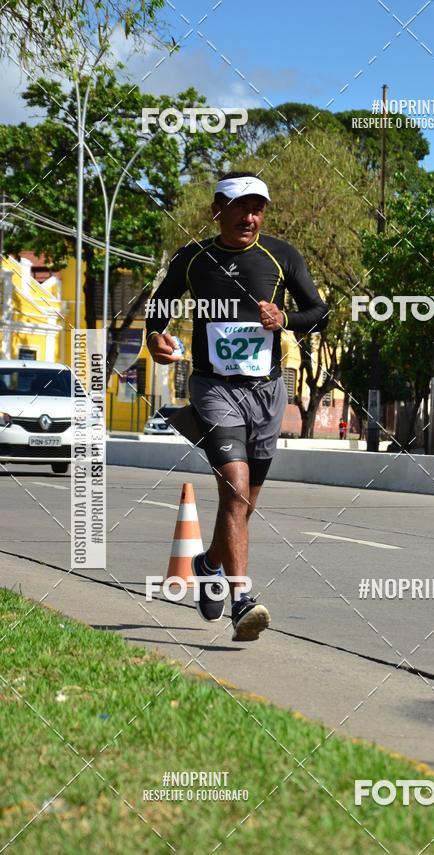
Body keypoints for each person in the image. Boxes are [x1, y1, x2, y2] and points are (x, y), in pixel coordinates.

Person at [146, 171, 328, 641]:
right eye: (241, 208)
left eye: (257, 209)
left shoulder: (282, 257)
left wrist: (285, 317)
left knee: (243, 502)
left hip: (267, 393)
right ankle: (242, 599)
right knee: (236, 487)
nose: (250, 217)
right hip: (214, 388)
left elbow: (319, 314)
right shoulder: (192, 259)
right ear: (217, 210)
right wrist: (154, 338)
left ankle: (209, 564)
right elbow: (159, 307)